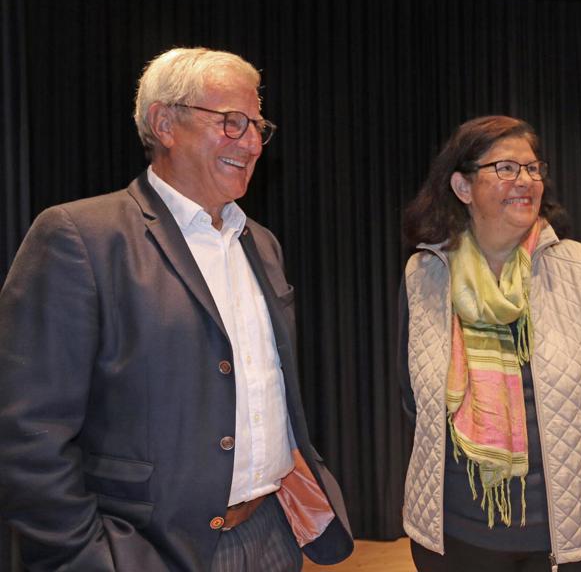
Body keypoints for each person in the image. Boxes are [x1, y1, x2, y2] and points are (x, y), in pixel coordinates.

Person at [0, 47, 353, 571]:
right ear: (164, 123)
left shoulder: (261, 243)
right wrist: (88, 556)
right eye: (232, 123)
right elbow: (27, 432)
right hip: (151, 549)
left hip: (274, 535)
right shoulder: (82, 236)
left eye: (258, 126)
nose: (253, 143)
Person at [398, 115, 581, 571]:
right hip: (456, 538)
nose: (525, 181)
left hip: (572, 541)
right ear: (462, 187)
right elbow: (412, 403)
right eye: (505, 169)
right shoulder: (423, 275)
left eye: (533, 168)